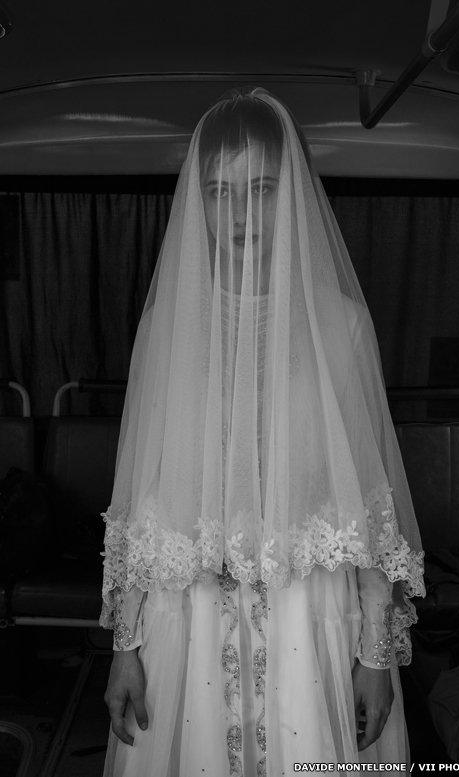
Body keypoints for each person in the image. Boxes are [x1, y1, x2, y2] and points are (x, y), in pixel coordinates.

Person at [100, 87, 425, 777]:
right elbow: (142, 500)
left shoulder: (340, 327)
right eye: (219, 190)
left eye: (263, 188)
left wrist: (375, 656)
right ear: (198, 201)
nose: (241, 212)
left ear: (295, 195)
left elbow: (369, 505)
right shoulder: (167, 329)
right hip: (186, 624)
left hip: (309, 624)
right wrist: (125, 647)